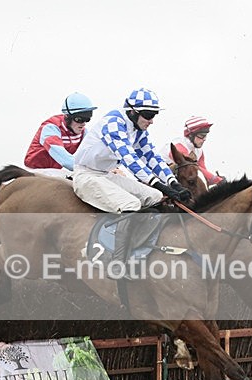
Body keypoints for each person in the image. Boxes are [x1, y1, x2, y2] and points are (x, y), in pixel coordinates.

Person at [72, 88, 191, 271]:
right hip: (85, 175)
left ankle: (144, 247)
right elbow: (129, 159)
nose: (151, 121)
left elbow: (151, 157)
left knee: (155, 196)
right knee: (131, 204)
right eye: (148, 115)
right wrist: (158, 183)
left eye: (154, 115)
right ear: (133, 112)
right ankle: (117, 262)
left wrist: (172, 182)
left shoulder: (138, 130)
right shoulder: (113, 123)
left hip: (106, 175)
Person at [24, 92, 97, 177]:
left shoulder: (83, 133)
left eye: (87, 119)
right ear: (67, 117)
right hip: (35, 171)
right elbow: (63, 158)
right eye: (79, 119)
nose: (83, 124)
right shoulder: (51, 128)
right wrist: (91, 170)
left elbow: (93, 153)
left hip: (55, 171)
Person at [167, 116, 223, 187]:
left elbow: (203, 174)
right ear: (190, 135)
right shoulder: (179, 145)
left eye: (205, 136)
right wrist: (217, 179)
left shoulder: (199, 151)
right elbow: (195, 168)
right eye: (201, 136)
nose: (204, 139)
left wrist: (217, 180)